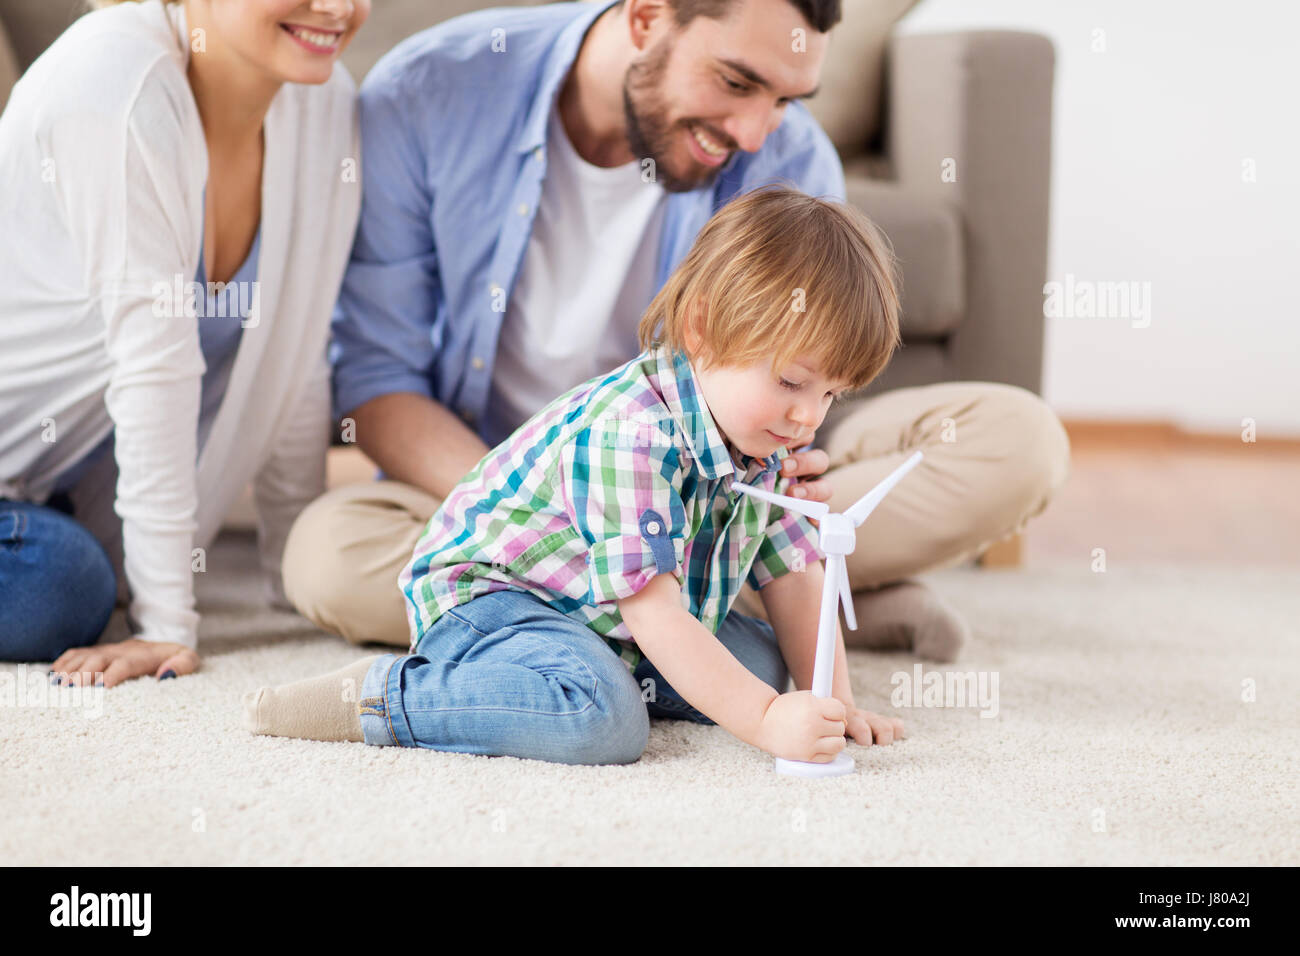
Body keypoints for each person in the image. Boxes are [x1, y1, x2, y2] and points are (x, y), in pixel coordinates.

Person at [281, 0, 1071, 665]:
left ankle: (720, 598)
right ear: (647, 15)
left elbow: (791, 400)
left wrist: (789, 469)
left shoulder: (791, 159)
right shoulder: (429, 92)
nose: (758, 132)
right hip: (515, 505)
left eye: (788, 98)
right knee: (326, 559)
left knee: (1018, 439)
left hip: (713, 493)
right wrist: (567, 508)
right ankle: (779, 607)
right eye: (737, 81)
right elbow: (379, 384)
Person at [244, 186, 908, 765]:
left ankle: (581, 675)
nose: (806, 416)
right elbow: (655, 616)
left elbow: (794, 575)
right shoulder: (632, 436)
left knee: (764, 665)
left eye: (831, 395)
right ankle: (384, 697)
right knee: (603, 719)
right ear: (703, 328)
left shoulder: (764, 433)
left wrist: (833, 702)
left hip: (595, 612)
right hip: (494, 602)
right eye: (793, 381)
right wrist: (765, 721)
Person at [0, 0, 369, 685]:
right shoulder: (111, 84)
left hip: (48, 500)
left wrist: (292, 569)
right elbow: (153, 364)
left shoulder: (323, 102)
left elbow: (297, 352)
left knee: (77, 569)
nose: (341, 8)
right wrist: (165, 625)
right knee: (64, 584)